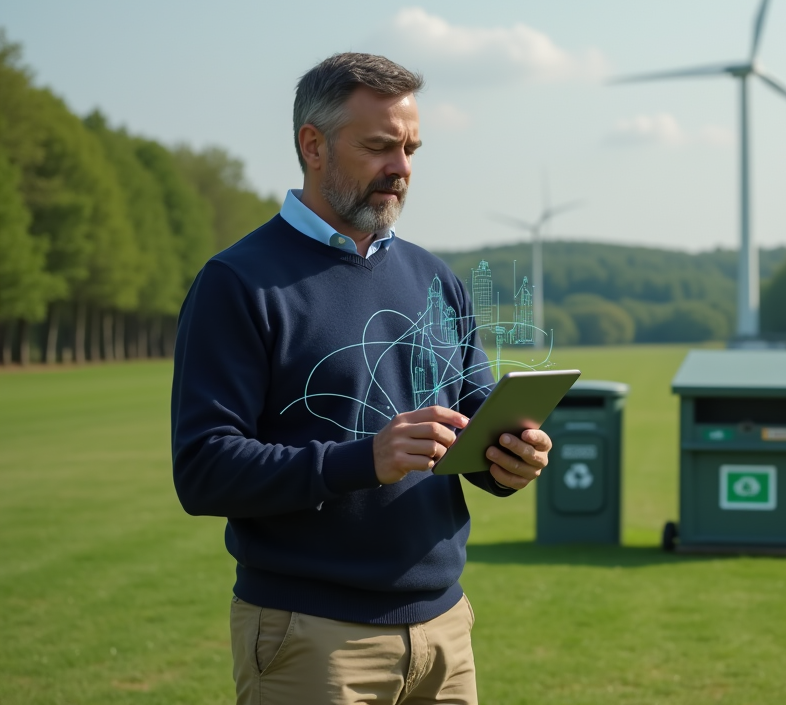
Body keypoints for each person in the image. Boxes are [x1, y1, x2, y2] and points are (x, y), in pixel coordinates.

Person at [170, 52, 550, 705]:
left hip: (444, 633)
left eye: (410, 149)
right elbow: (203, 468)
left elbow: (470, 417)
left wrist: (509, 459)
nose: (401, 169)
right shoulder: (237, 283)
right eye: (379, 147)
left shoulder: (436, 277)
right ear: (312, 146)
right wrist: (362, 460)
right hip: (313, 637)